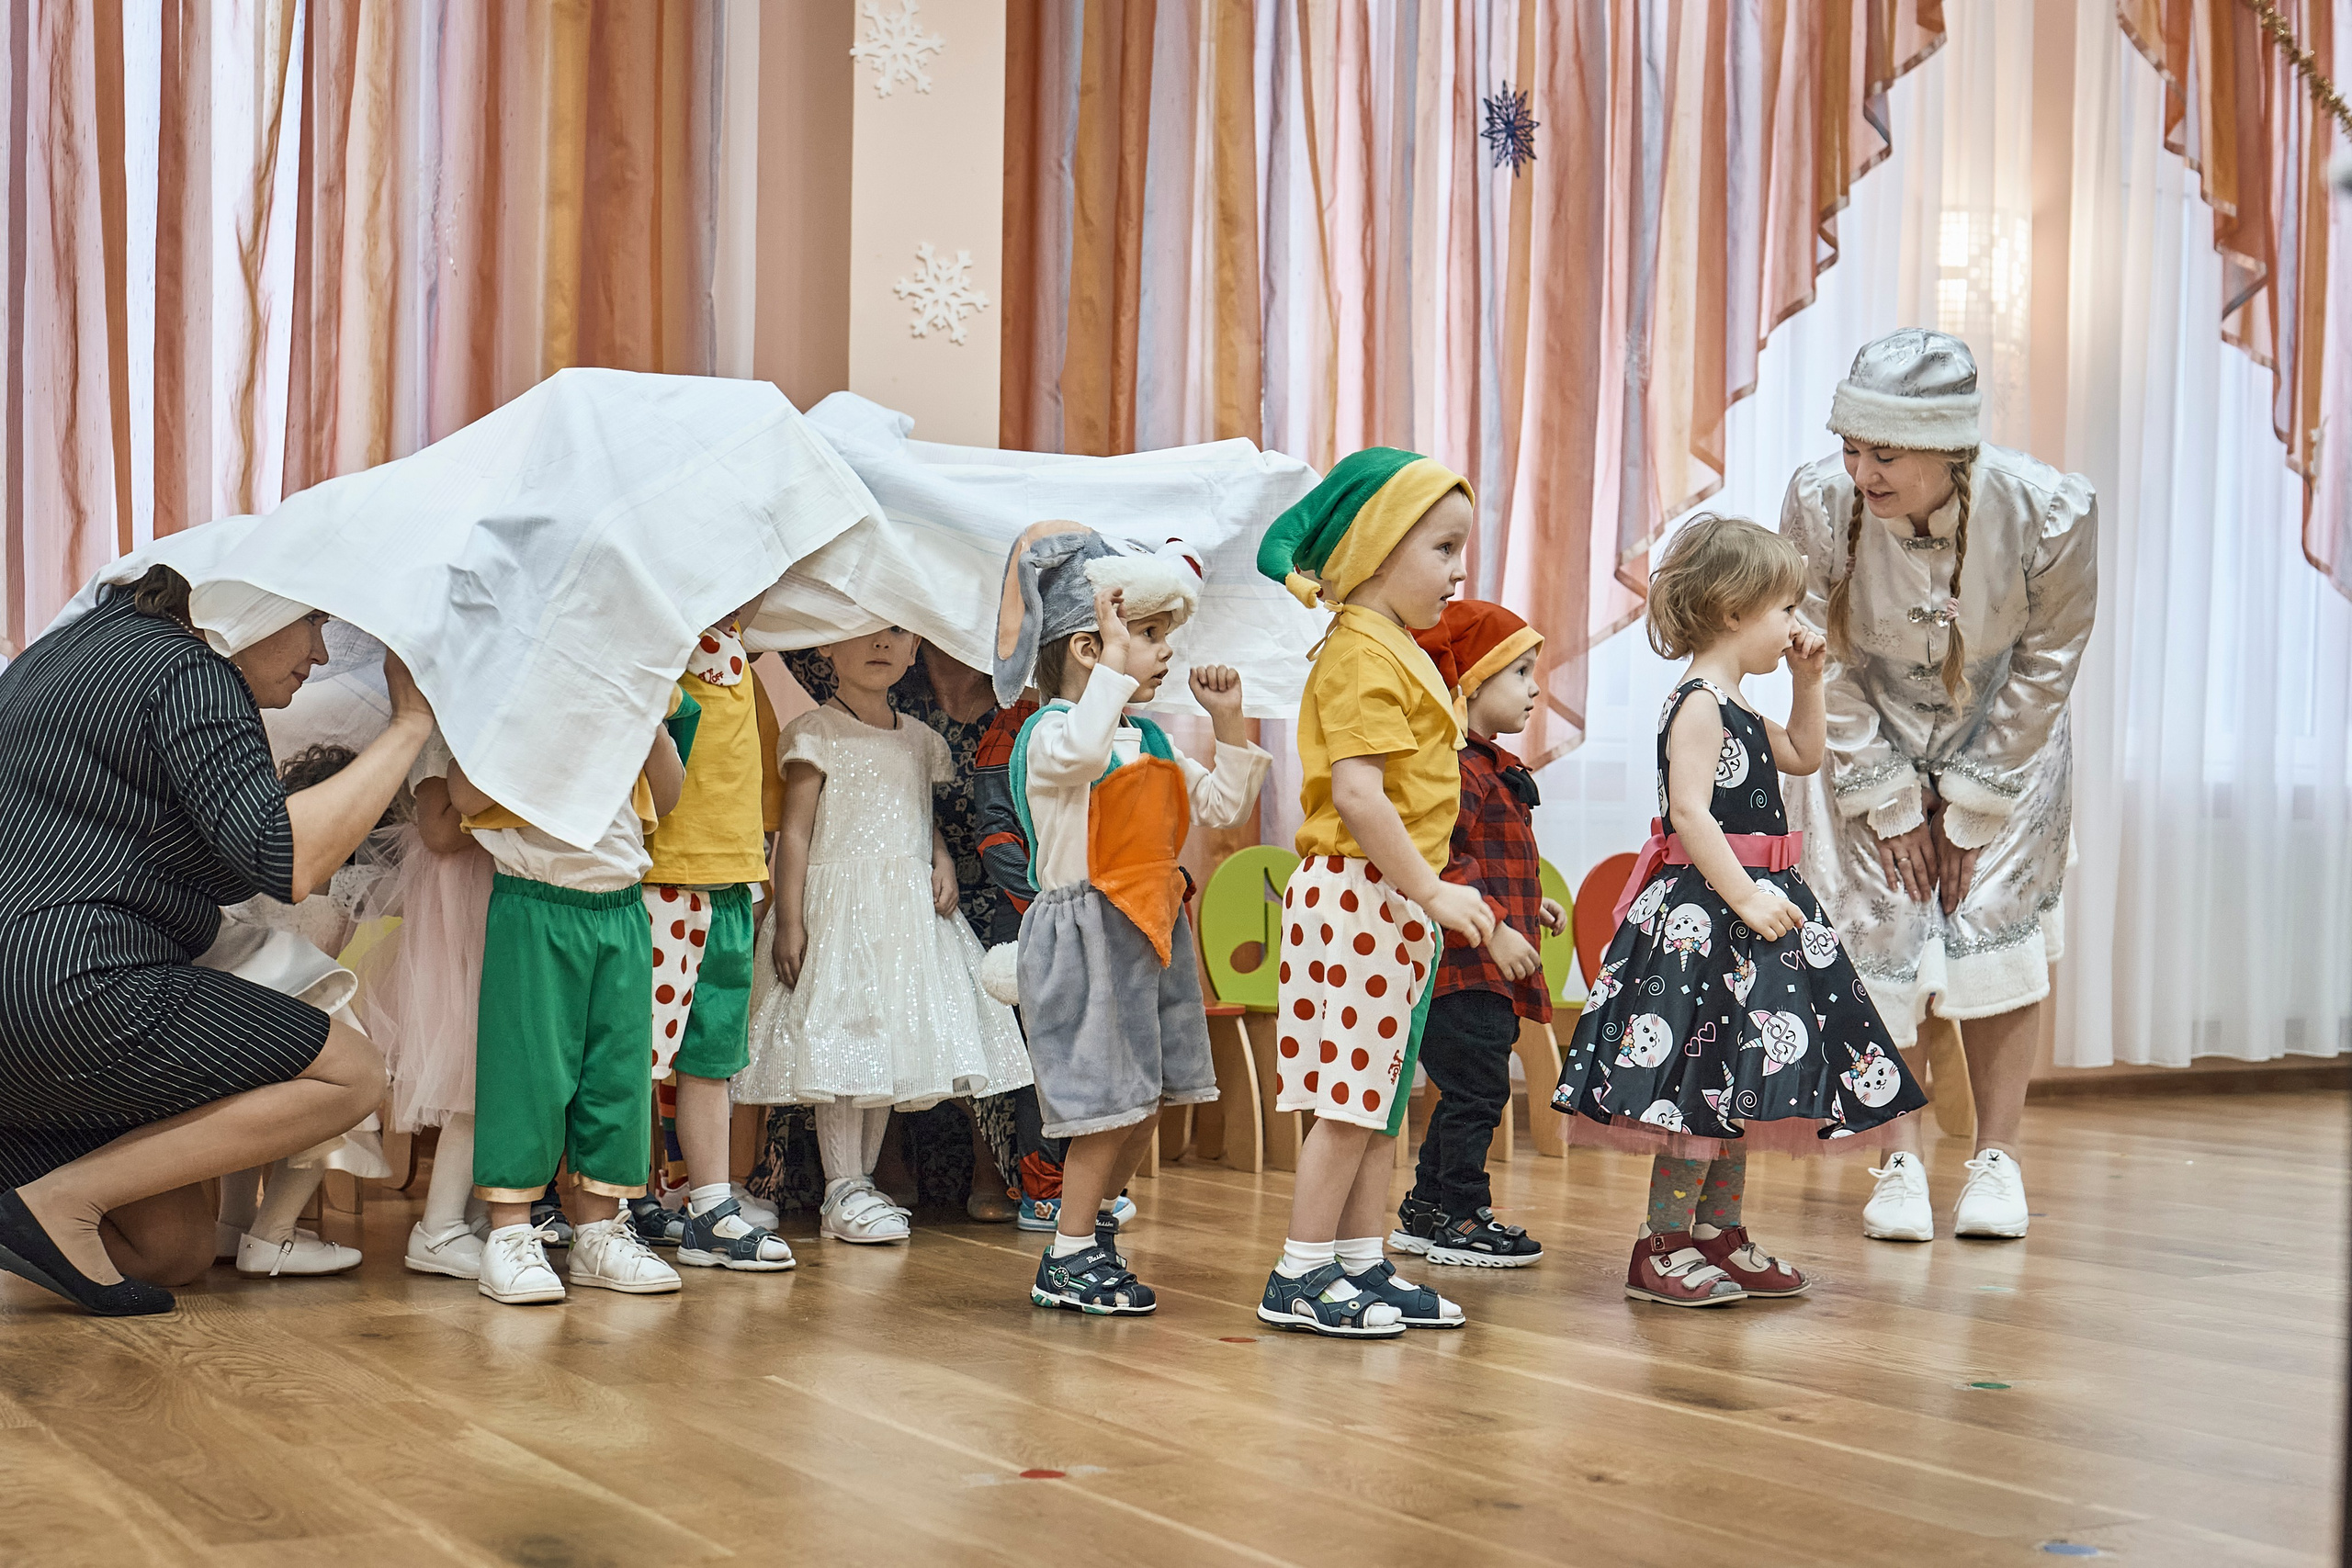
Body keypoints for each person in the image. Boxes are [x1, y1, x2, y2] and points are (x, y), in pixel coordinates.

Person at [0, 566, 423, 1315]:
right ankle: (61, 1199)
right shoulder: (192, 670)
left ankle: (40, 1200)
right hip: (70, 983)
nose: (319, 653)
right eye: (313, 623)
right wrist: (409, 727)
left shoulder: (70, 647)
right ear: (252, 608)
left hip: (27, 1003)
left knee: (174, 1251)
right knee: (352, 1074)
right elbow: (286, 858)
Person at [1553, 515, 1927, 1307]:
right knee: (1693, 1087)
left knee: (1736, 1082)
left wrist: (1810, 683)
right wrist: (1748, 894)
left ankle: (1718, 1233)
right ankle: (1662, 1243)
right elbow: (1691, 813)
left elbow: (1805, 754)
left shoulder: (1743, 709)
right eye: (1784, 610)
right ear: (1731, 608)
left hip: (1753, 914)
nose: (1795, 626)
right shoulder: (1697, 704)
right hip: (1709, 917)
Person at [1777, 331, 2097, 1241]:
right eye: (1852, 447)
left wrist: (1971, 805)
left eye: (1885, 452)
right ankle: (1899, 1157)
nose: (1862, 471)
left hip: (2005, 733)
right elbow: (1817, 649)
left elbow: (2046, 665)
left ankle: (1997, 1160)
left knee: (1992, 921)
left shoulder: (2052, 511)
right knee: (1877, 922)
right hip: (1861, 726)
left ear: (1949, 447)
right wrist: (1884, 792)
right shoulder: (1817, 498)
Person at [990, 525, 1268, 1316]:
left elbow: (1219, 804)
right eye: (1148, 635)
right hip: (1085, 935)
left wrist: (1230, 726)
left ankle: (1092, 1231)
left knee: (1146, 1100)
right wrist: (1116, 663)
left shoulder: (1145, 736)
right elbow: (1078, 754)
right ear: (1090, 646)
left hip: (1150, 930)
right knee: (1104, 1103)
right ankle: (1067, 1254)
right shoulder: (1052, 734)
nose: (1163, 652)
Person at [1252, 447, 1497, 1337]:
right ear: (1375, 548)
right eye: (1440, 547)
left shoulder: (1391, 645)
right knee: (1350, 1098)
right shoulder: (1359, 651)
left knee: (1378, 1097)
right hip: (1358, 895)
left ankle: (1359, 1262)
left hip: (1381, 900)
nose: (1456, 568)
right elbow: (1358, 794)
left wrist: (1422, 896)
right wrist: (1431, 890)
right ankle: (1299, 1272)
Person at [737, 627, 1032, 1246]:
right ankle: (841, 1185)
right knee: (842, 1044)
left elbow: (920, 816)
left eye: (897, 633)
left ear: (915, 646)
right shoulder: (818, 731)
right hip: (839, 913)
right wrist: (788, 918)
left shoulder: (920, 740)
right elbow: (795, 832)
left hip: (900, 918)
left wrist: (942, 859)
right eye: (862, 634)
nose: (881, 645)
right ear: (824, 648)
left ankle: (857, 1183)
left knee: (879, 1048)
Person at [446, 692, 695, 1304]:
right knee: (526, 1072)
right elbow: (464, 793)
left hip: (619, 903)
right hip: (537, 900)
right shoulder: (522, 675)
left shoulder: (645, 674)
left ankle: (600, 1230)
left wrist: (645, 717)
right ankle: (509, 1233)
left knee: (618, 1076)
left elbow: (666, 793)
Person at [1388, 601, 1560, 1269]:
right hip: (1462, 965)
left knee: (1469, 1087)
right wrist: (1493, 931)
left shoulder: (1489, 765)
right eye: (1518, 672)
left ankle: (1428, 1208)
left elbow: (1492, 858)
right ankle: (1460, 1213)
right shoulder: (1452, 768)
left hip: (1484, 961)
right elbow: (1442, 859)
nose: (1535, 687)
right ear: (1467, 684)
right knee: (1476, 1091)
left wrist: (1531, 908)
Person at [626, 607, 795, 1273]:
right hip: (664, 878)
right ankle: (622, 1195)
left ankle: (710, 1204)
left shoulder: (739, 662)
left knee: (713, 1055)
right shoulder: (661, 648)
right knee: (638, 1049)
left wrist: (756, 878)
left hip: (731, 882)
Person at [352, 721, 498, 1280]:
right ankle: (438, 1227)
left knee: (493, 1068)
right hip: (459, 910)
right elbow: (438, 831)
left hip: (485, 901)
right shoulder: (442, 734)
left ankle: (475, 1217)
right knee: (470, 1063)